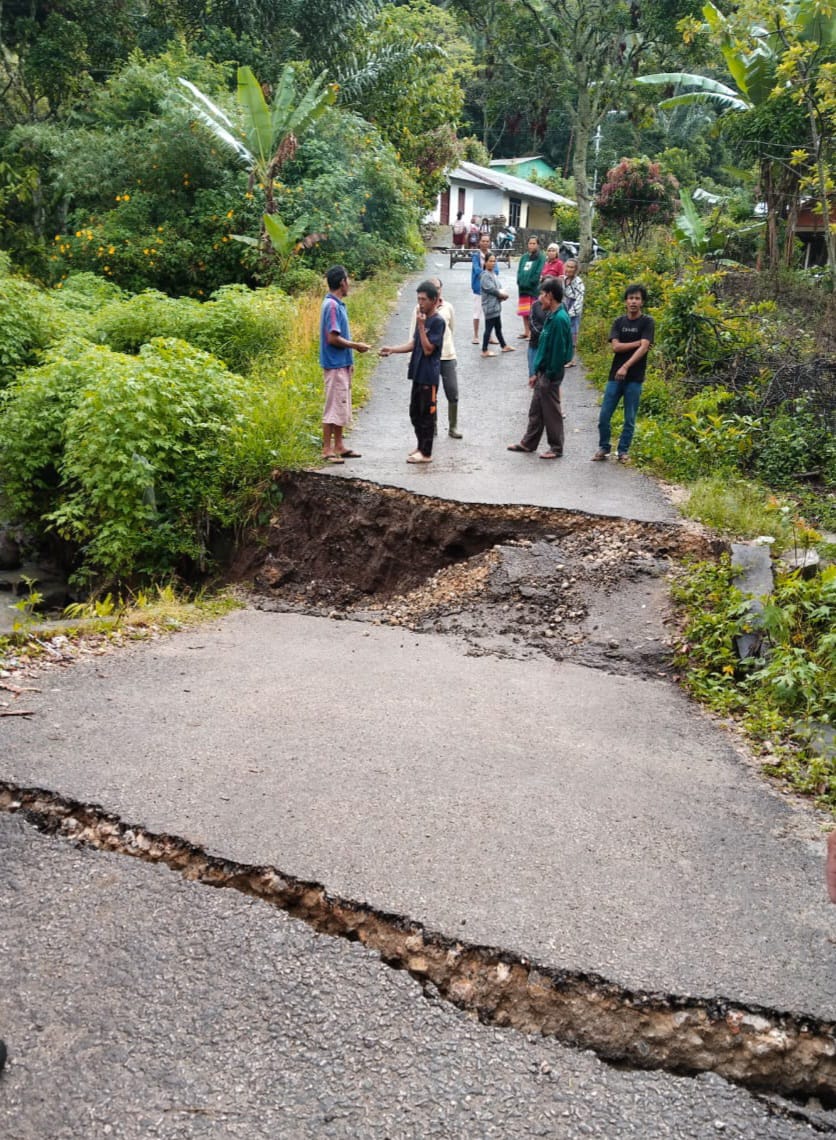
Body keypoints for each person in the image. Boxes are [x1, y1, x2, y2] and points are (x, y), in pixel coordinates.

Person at [379, 279, 445, 464]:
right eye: (418, 299)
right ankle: (420, 445)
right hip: (417, 373)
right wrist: (392, 349)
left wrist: (422, 327)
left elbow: (428, 349)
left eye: (424, 299)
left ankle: (426, 452)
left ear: (434, 300)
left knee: (427, 414)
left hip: (428, 376)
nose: (420, 303)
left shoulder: (437, 322)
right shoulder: (421, 319)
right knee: (415, 412)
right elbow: (414, 344)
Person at [507, 276, 573, 459]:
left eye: (542, 295)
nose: (539, 299)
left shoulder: (559, 319)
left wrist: (549, 374)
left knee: (551, 412)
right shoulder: (552, 315)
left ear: (550, 296)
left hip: (550, 373)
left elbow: (559, 352)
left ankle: (556, 448)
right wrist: (537, 372)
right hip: (543, 371)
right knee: (536, 409)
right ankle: (528, 443)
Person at [592, 283, 654, 464]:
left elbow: (644, 350)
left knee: (630, 417)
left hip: (635, 377)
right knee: (604, 415)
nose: (634, 302)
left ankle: (623, 451)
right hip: (615, 376)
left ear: (642, 302)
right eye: (631, 298)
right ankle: (604, 447)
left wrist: (626, 366)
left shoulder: (647, 322)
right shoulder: (619, 322)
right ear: (626, 301)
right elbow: (616, 347)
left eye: (637, 298)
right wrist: (639, 343)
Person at [319, 265, 370, 464]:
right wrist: (356, 346)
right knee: (333, 405)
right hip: (334, 363)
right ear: (342, 282)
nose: (350, 284)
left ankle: (339, 445)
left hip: (342, 362)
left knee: (341, 403)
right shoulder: (331, 306)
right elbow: (332, 338)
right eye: (348, 280)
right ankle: (326, 449)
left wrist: (350, 359)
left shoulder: (336, 304)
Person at [408, 276, 462, 439]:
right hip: (429, 359)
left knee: (452, 392)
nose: (435, 290)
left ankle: (453, 426)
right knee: (430, 395)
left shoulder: (448, 308)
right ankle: (433, 426)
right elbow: (414, 336)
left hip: (447, 356)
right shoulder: (418, 310)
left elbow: (452, 329)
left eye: (437, 288)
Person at [480, 252, 514, 357]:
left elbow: (498, 287)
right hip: (490, 306)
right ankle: (484, 350)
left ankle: (503, 345)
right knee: (489, 329)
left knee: (498, 328)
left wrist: (502, 294)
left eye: (494, 261)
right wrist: (502, 295)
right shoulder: (485, 275)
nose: (493, 263)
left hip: (496, 306)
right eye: (490, 261)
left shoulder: (493, 274)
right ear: (485, 262)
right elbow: (491, 289)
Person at [516, 235, 546, 340]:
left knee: (532, 312)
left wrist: (531, 282)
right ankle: (526, 332)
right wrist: (519, 281)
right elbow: (519, 271)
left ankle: (533, 333)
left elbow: (538, 272)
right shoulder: (524, 257)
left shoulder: (541, 257)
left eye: (534, 243)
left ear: (537, 245)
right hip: (523, 289)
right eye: (530, 243)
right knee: (524, 312)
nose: (531, 245)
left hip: (533, 289)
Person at [470, 232, 498, 344]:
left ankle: (490, 336)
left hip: (490, 288)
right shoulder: (476, 256)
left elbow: (496, 270)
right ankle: (476, 335)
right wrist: (487, 275)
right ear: (479, 242)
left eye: (487, 241)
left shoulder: (492, 256)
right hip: (478, 288)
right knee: (477, 312)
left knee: (490, 312)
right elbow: (477, 270)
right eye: (483, 241)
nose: (485, 243)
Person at [562, 258, 585, 366]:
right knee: (563, 334)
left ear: (576, 269)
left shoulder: (578, 282)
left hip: (573, 309)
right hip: (565, 306)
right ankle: (564, 356)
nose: (569, 269)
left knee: (572, 334)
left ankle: (571, 359)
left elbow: (579, 299)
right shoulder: (563, 279)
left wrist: (570, 313)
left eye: (572, 267)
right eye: (568, 266)